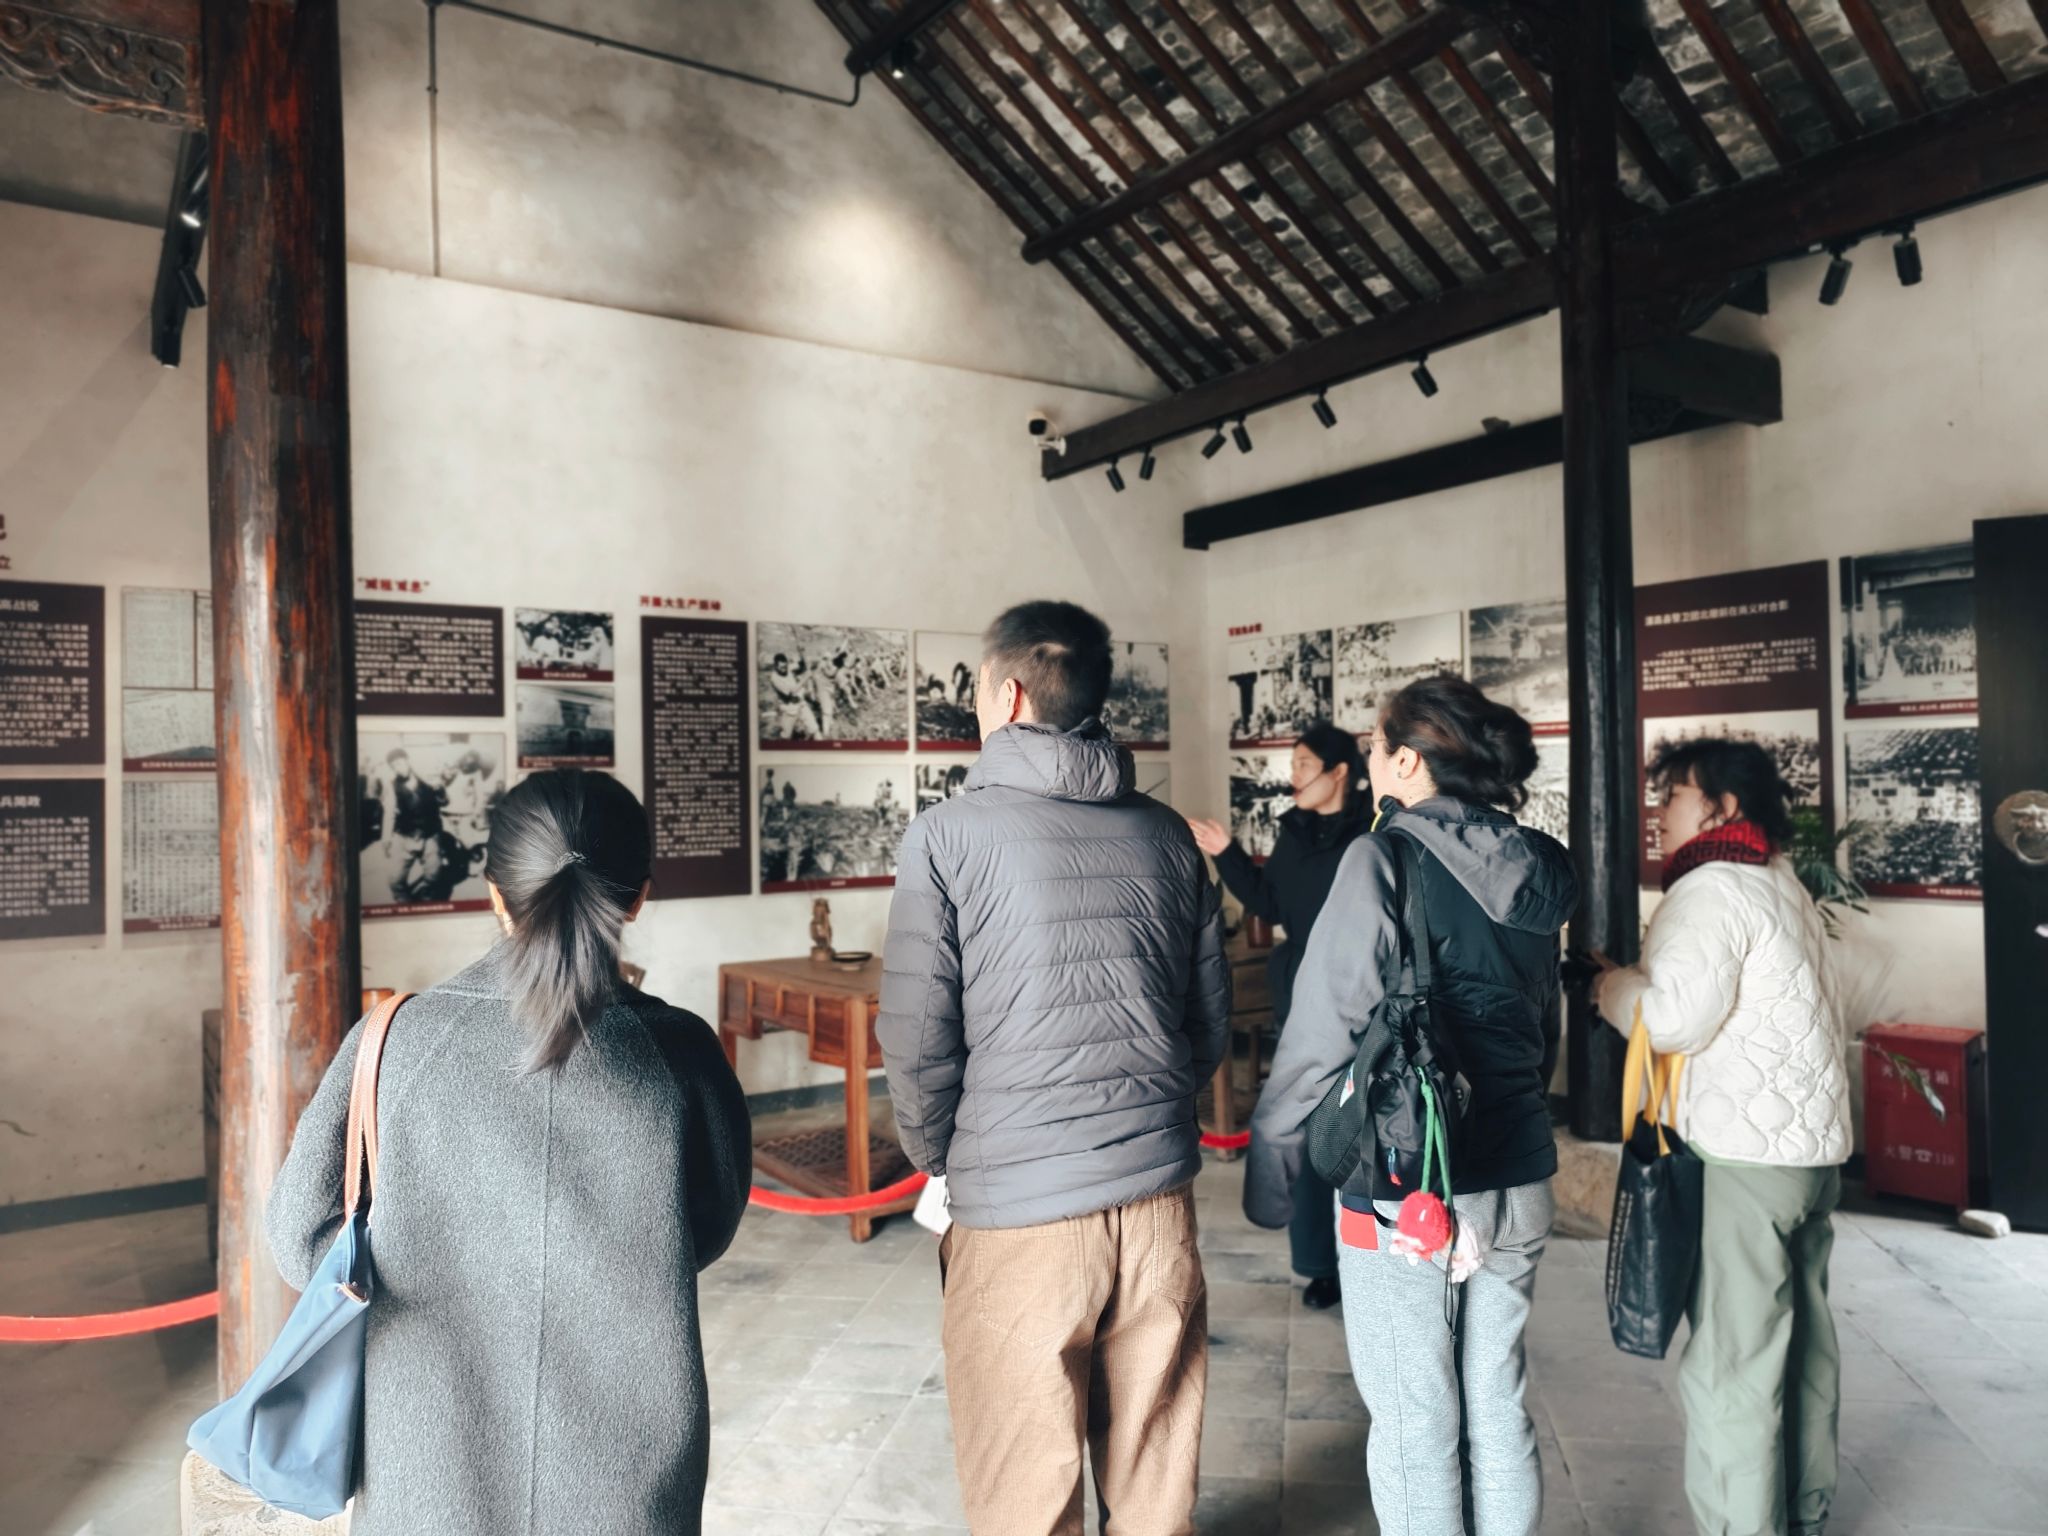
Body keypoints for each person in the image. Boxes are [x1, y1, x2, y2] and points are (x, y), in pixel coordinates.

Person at [266, 769, 751, 1535]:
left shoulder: (394, 1041)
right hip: (626, 1469)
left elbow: (301, 1240)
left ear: (494, 894)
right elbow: (707, 1228)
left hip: (429, 1465)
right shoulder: (680, 1052)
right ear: (638, 898)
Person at [878, 599, 1232, 1536]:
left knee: (1024, 1500)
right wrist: (1146, 1115)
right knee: (1156, 1486)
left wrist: (945, 1157)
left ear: (1008, 695)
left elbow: (916, 1039)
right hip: (1159, 1207)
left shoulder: (947, 836)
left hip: (1019, 1212)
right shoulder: (1168, 836)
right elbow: (1208, 1024)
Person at [1245, 674, 1576, 1536]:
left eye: (1375, 744)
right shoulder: (1534, 867)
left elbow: (1323, 1026)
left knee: (1413, 1419)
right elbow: (1541, 1028)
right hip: (1520, 1175)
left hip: (1408, 1179)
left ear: (1407, 761)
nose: (1368, 758)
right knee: (1496, 1402)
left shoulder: (1384, 857)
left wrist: (1274, 1156)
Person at [1594, 739, 1851, 1536]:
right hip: (1810, 1155)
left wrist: (1611, 986)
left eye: (1675, 795)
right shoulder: (1779, 882)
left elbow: (1673, 1019)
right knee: (1804, 1348)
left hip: (1743, 1156)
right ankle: (1804, 1512)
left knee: (1733, 1363)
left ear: (1723, 807)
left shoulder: (1708, 888)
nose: (1660, 812)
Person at [1185, 721, 1370, 1310]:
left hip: (1359, 996)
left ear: (1339, 773)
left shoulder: (1370, 836)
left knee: (1361, 1128)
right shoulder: (1295, 830)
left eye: (1304, 766)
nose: (1294, 777)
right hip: (1301, 994)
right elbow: (1270, 902)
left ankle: (1372, 1258)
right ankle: (1319, 1264)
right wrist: (1227, 853)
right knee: (1309, 1127)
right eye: (1292, 766)